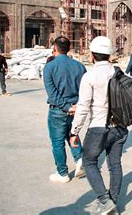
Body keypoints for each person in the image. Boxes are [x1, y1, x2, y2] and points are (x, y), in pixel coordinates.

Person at [69, 36, 127, 214]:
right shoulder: (119, 73)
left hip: (99, 127)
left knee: (89, 161)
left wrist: (74, 131)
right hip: (120, 127)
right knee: (115, 164)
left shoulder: (90, 76)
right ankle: (112, 203)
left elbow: (84, 106)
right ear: (109, 54)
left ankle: (104, 200)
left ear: (92, 55)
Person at [43, 36, 86, 183]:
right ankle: (80, 159)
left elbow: (53, 94)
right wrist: (76, 106)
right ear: (69, 48)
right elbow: (85, 91)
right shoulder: (80, 66)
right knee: (72, 133)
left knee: (57, 142)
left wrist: (67, 107)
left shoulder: (50, 67)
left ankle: (62, 173)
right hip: (75, 108)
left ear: (54, 48)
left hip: (59, 110)